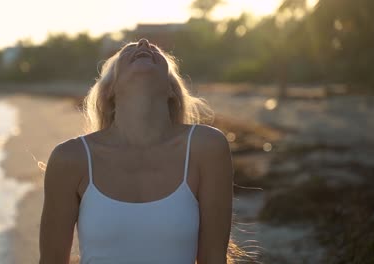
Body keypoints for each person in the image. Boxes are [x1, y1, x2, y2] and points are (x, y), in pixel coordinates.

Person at [39, 38, 234, 264]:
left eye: (155, 52)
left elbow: (213, 258)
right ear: (109, 89)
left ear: (171, 89)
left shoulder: (207, 147)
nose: (143, 43)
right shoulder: (71, 158)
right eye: (128, 51)